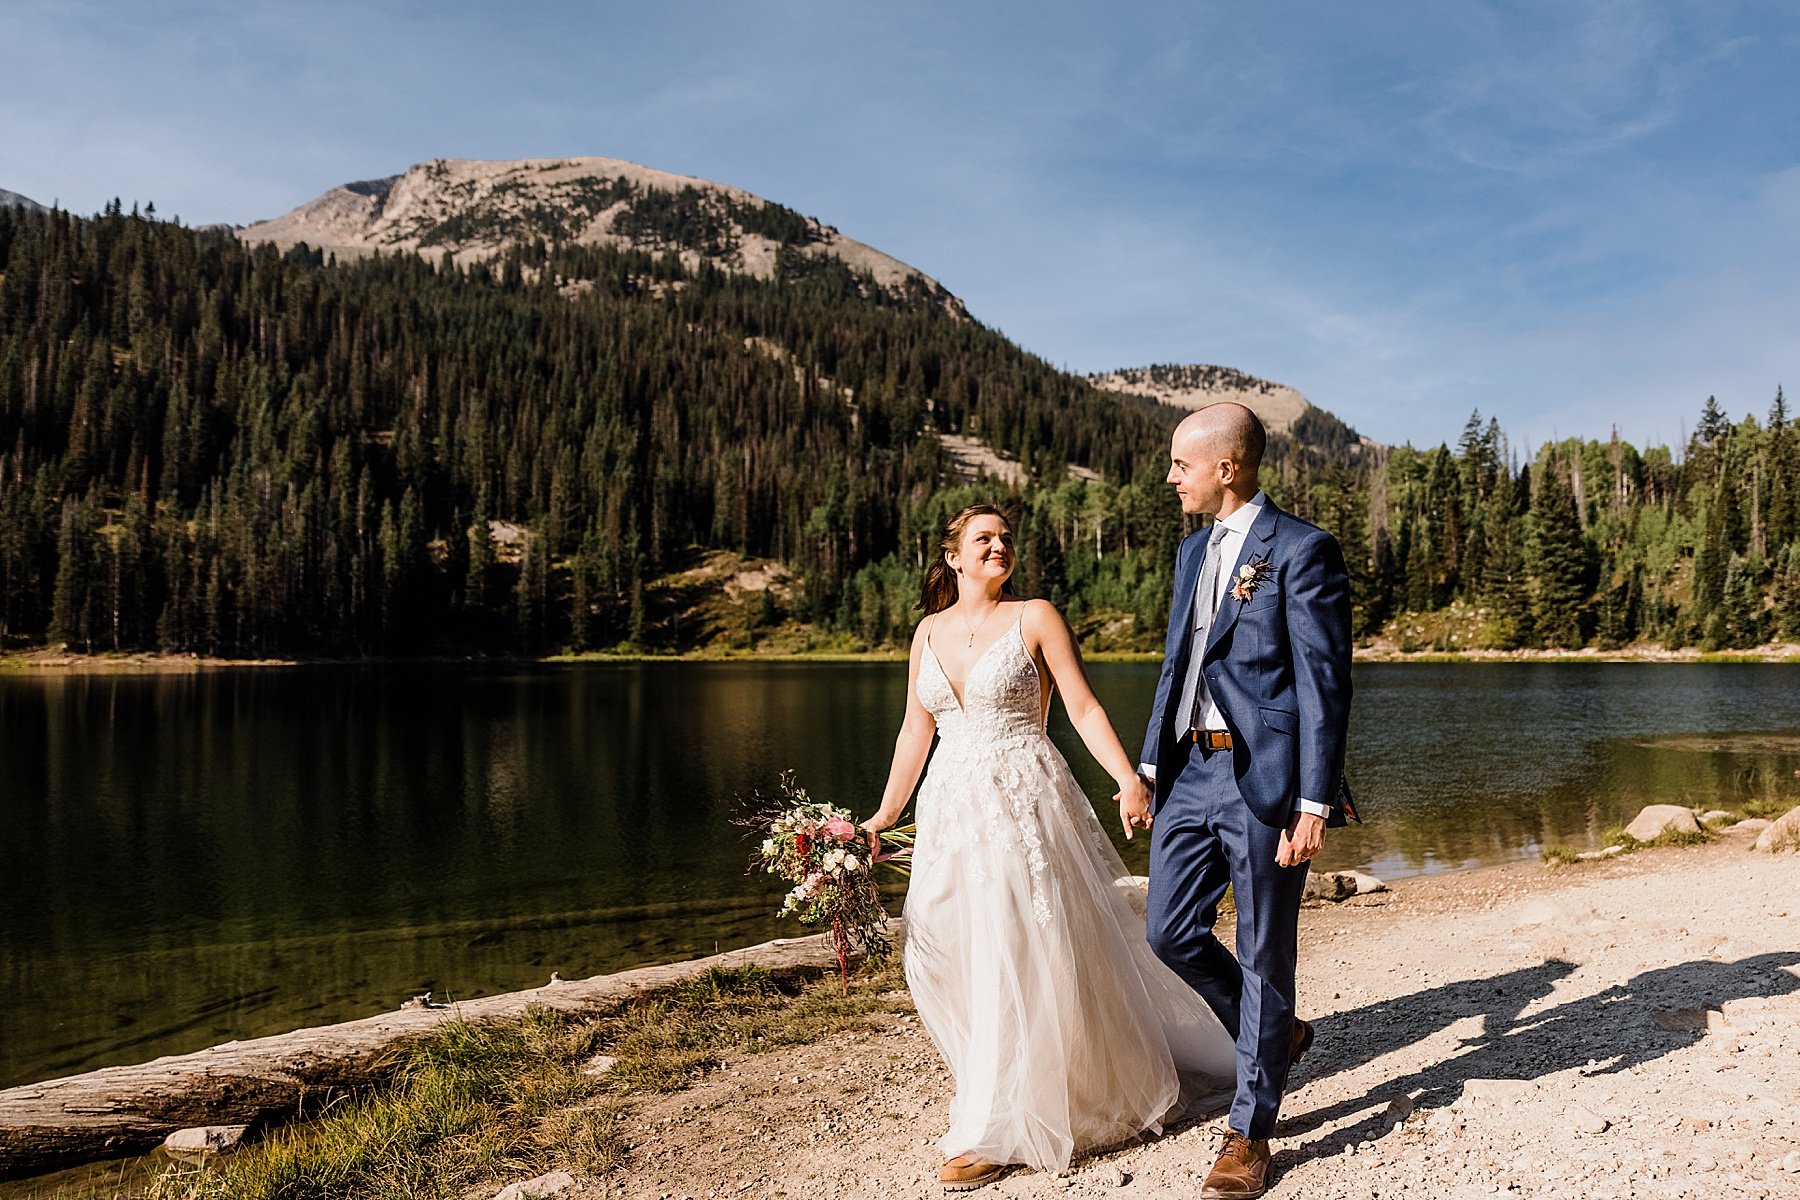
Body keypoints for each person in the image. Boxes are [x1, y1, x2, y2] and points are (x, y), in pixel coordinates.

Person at [861, 503, 1236, 1192]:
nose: (999, 546)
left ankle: (999, 1124)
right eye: (984, 539)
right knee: (952, 947)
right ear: (952, 557)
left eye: (1006, 538)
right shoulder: (928, 632)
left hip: (1023, 799)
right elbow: (915, 732)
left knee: (1023, 943)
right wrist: (882, 817)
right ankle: (999, 1087)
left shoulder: (1035, 616)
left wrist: (1128, 779)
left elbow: (1085, 707)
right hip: (951, 808)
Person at [1138, 403, 1354, 1199]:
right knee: (1169, 931)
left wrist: (1314, 801)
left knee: (1265, 949)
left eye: (1180, 464)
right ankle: (1280, 1032)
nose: (1171, 478)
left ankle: (1250, 1130)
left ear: (1226, 468)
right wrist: (1151, 767)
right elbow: (1178, 664)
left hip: (1262, 777)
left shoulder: (1302, 550)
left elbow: (1325, 686)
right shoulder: (1193, 552)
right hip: (1189, 770)